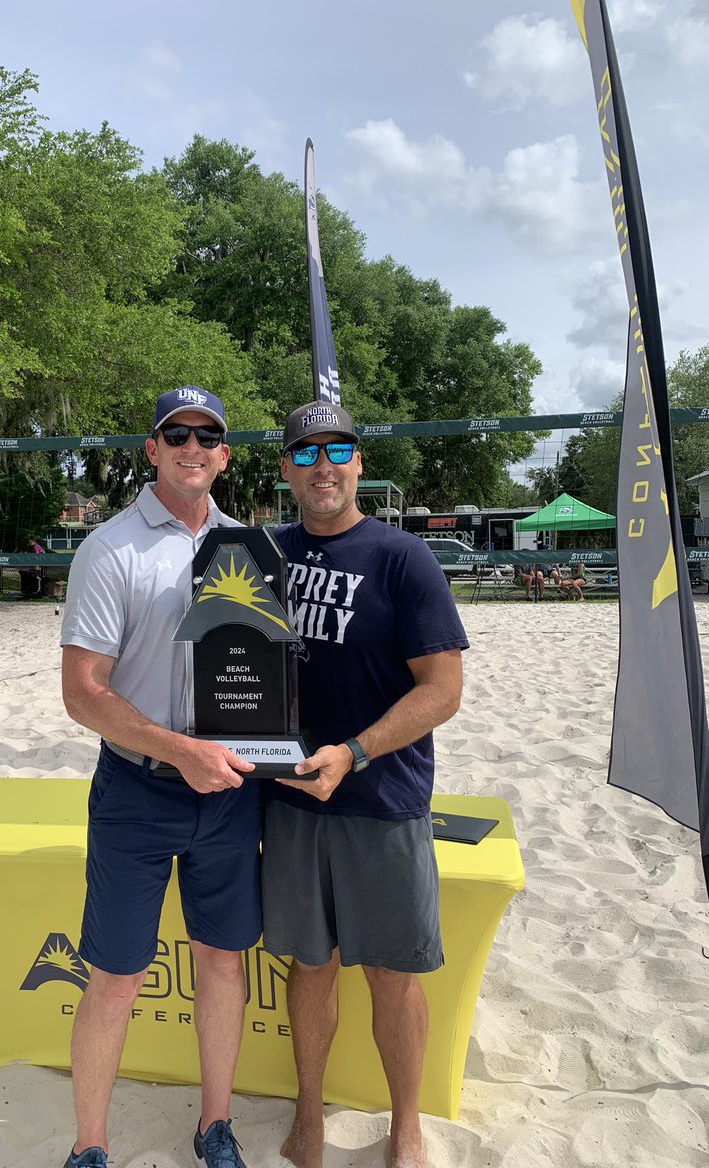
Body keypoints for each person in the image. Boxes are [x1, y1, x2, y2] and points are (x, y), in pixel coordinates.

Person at [261, 401, 468, 1168]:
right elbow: (226, 664)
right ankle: (309, 1113)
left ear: (358, 462)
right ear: (286, 468)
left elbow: (442, 690)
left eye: (337, 448)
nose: (324, 464)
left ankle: (405, 1124)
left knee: (390, 972)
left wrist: (355, 750)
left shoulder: (402, 557)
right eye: (306, 452)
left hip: (381, 799)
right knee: (309, 964)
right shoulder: (260, 556)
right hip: (288, 799)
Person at [58, 387, 261, 1168]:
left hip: (229, 787)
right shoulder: (108, 549)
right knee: (114, 978)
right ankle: (90, 1145)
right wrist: (180, 749)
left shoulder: (246, 546)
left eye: (206, 435)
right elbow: (83, 694)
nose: (191, 446)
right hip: (139, 789)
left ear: (224, 454)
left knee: (221, 960)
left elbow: (264, 672)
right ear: (151, 449)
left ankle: (216, 1127)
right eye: (174, 433)